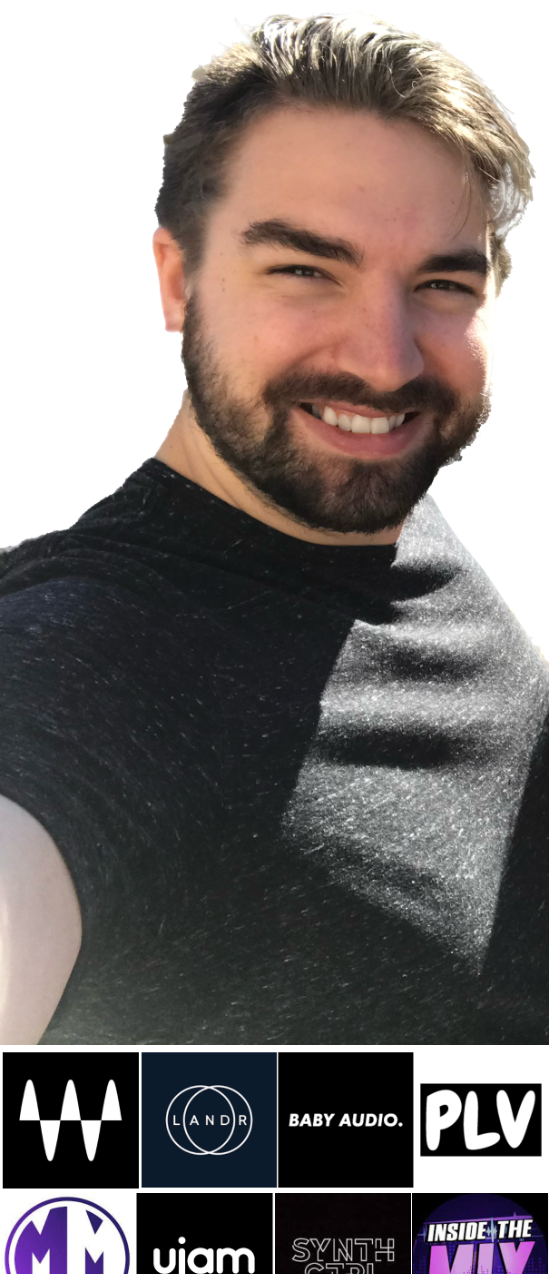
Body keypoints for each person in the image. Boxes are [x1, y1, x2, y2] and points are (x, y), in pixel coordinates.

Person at [0, 15, 546, 1045]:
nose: (385, 362)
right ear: (176, 280)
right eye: (305, 269)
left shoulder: (393, 527)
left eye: (440, 285)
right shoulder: (67, 661)